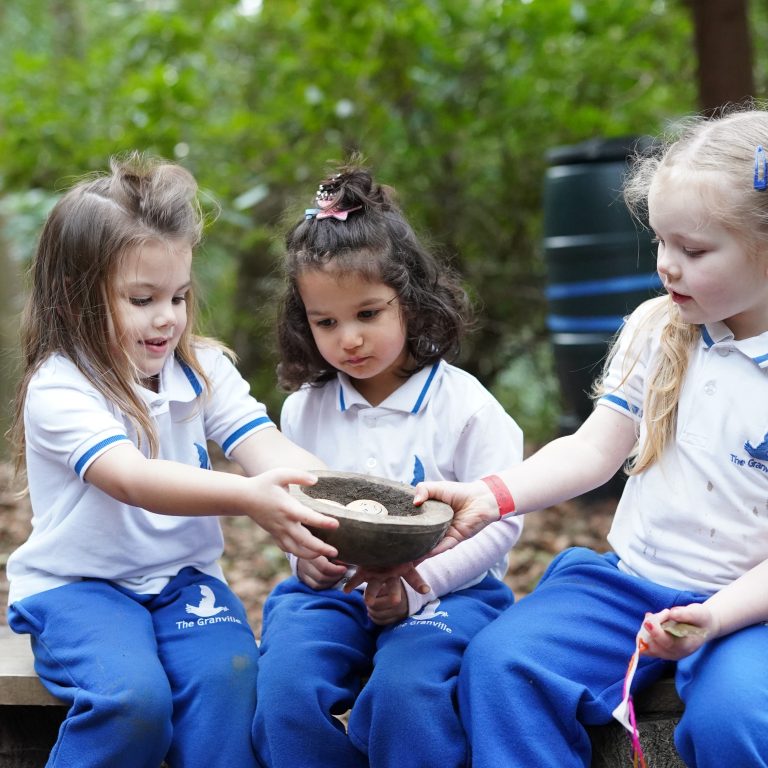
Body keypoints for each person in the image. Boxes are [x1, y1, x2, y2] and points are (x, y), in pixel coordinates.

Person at [412, 108, 768, 768]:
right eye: (660, 242)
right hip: (631, 583)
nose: (667, 266)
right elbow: (592, 448)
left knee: (738, 716)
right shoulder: (659, 329)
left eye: (693, 251)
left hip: (749, 609)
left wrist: (714, 619)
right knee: (503, 664)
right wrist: (493, 495)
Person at [4, 152, 339, 768]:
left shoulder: (203, 367)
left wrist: (338, 498)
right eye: (142, 298)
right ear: (77, 300)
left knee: (231, 680)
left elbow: (263, 444)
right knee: (132, 701)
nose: (168, 317)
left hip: (186, 586)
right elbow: (134, 479)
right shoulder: (61, 388)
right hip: (80, 590)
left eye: (180, 296)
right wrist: (248, 498)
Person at [251, 162, 525, 768]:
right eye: (326, 322)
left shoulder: (466, 407)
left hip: (449, 594)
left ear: (411, 302)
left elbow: (501, 524)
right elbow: (296, 511)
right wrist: (307, 560)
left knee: (406, 694)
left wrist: (413, 588)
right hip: (335, 595)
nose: (348, 338)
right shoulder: (304, 410)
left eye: (368, 314)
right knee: (286, 688)